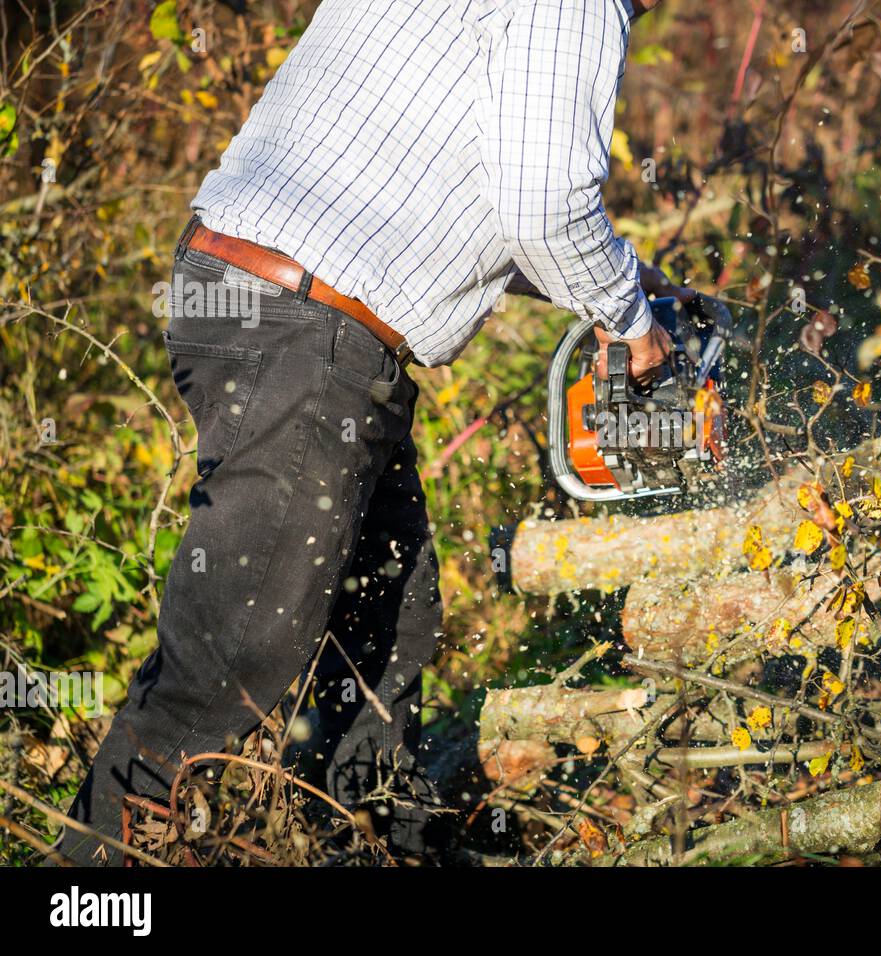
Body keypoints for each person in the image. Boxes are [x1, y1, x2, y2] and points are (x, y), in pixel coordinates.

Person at [59, 0, 690, 864]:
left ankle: (362, 847)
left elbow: (437, 196)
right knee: (229, 654)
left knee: (385, 627)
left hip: (253, 293)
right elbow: (544, 201)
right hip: (309, 332)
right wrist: (631, 321)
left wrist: (625, 288)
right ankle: (87, 880)